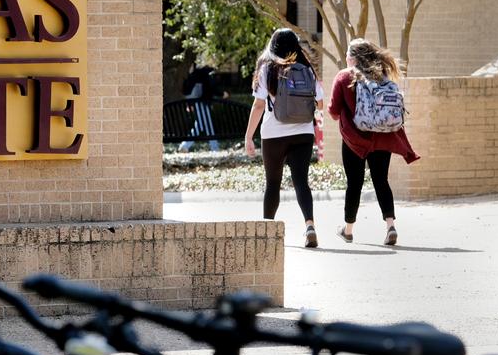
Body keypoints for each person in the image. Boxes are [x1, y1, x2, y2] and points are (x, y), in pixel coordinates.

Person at [327, 38, 420, 245]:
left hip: (355, 141)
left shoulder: (344, 77)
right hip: (382, 138)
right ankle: (390, 226)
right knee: (381, 180)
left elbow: (333, 111)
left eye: (347, 56)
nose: (346, 59)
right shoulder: (382, 76)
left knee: (354, 183)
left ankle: (348, 230)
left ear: (352, 58)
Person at [245, 29, 324, 248]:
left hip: (274, 135)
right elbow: (320, 104)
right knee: (301, 181)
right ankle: (310, 226)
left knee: (272, 183)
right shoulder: (307, 69)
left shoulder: (267, 69)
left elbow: (259, 105)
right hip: (303, 133)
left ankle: (266, 234)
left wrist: (248, 136)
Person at [178, 64, 226, 152]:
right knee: (206, 124)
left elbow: (189, 90)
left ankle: (185, 145)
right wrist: (222, 94)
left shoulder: (195, 73)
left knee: (201, 124)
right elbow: (211, 88)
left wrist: (189, 104)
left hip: (196, 102)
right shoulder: (206, 73)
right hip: (202, 102)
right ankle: (214, 147)